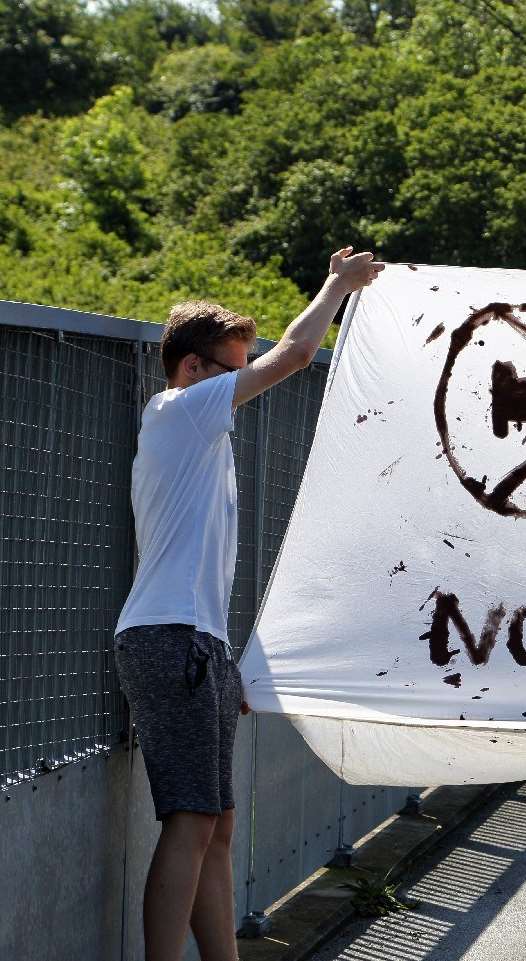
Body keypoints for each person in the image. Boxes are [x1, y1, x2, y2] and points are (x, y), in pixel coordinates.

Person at [113, 247, 382, 961]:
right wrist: (336, 286)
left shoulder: (206, 433)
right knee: (190, 818)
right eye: (232, 369)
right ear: (193, 367)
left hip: (198, 643)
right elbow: (295, 356)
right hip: (168, 639)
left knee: (218, 822)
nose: (242, 384)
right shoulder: (180, 411)